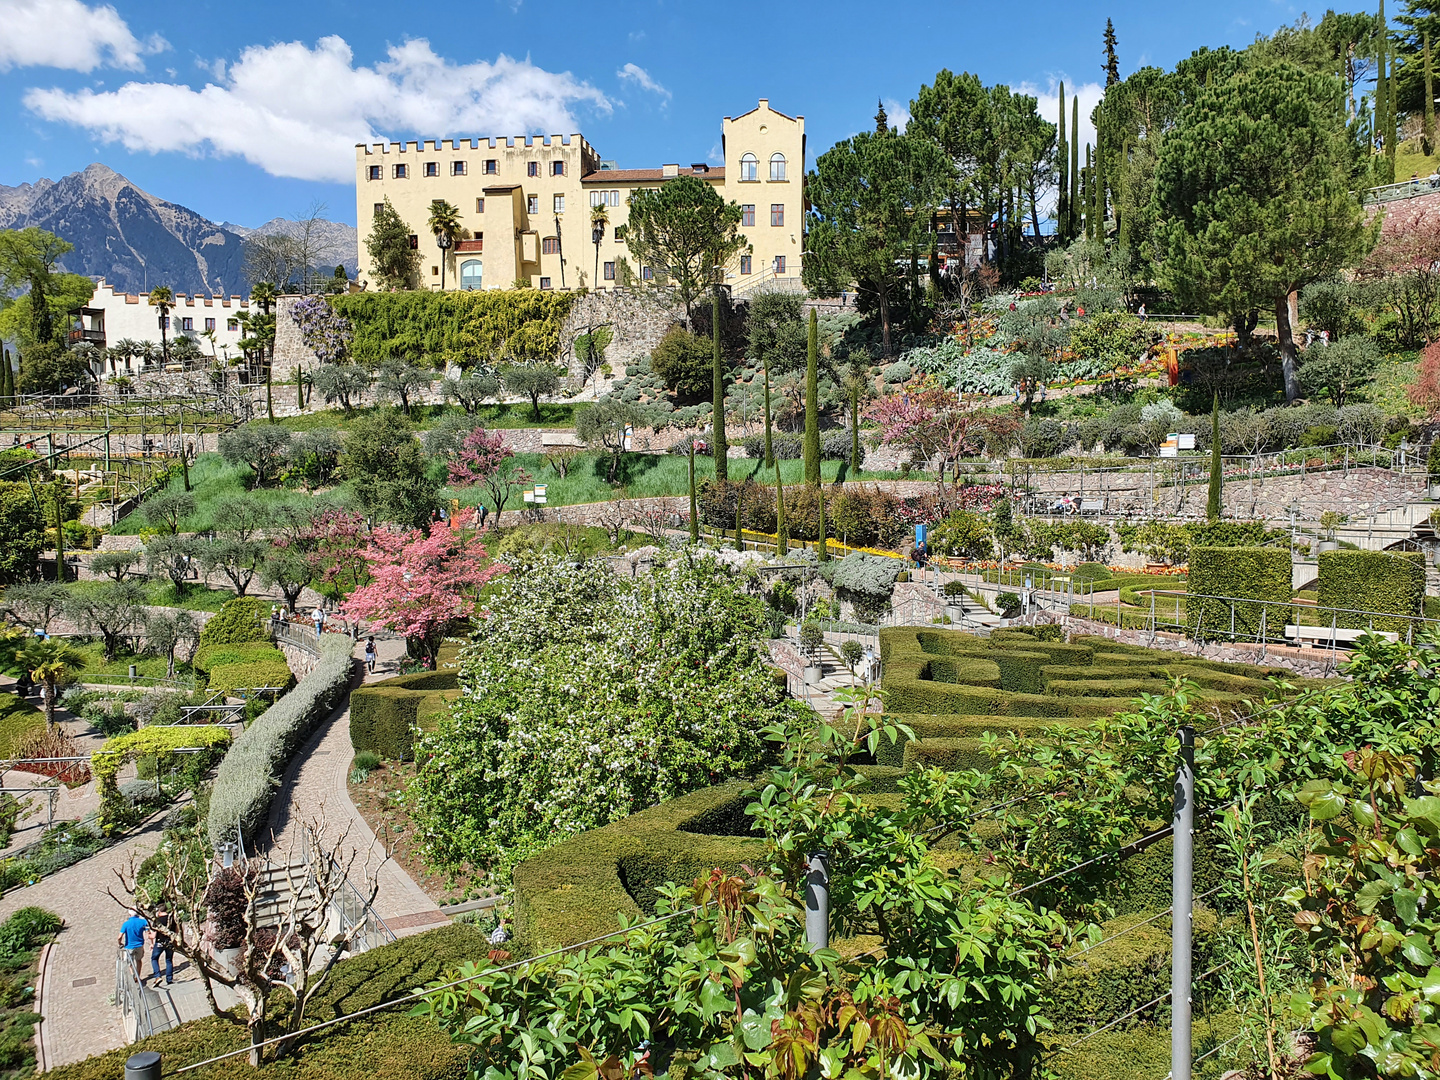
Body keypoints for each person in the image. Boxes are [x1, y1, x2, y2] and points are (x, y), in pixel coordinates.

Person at [118, 908, 148, 981]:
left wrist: (120, 943)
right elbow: (148, 932)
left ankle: (132, 974)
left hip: (129, 946)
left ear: (130, 914)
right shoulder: (143, 922)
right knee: (139, 960)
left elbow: (119, 937)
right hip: (140, 945)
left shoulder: (126, 924)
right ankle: (137, 976)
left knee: (129, 962)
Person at [150, 906, 176, 984]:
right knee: (169, 960)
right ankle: (169, 979)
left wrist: (149, 935)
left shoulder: (157, 921)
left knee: (154, 958)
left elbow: (153, 935)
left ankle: (157, 976)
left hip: (160, 942)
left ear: (159, 911)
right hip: (170, 942)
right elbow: (177, 931)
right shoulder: (172, 919)